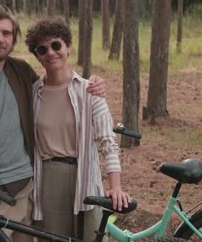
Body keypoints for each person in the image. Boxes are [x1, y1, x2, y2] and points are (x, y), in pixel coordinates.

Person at [0, 5, 106, 241]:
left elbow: (55, 89)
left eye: (6, 33)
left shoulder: (21, 71)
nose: (0, 39)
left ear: (13, 39)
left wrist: (90, 85)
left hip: (30, 187)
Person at [25, 18, 131, 241]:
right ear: (37, 56)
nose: (50, 53)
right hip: (48, 180)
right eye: (42, 49)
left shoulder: (89, 90)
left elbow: (108, 142)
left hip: (85, 177)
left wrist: (115, 187)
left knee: (91, 237)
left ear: (68, 47)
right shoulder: (34, 93)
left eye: (56, 45)